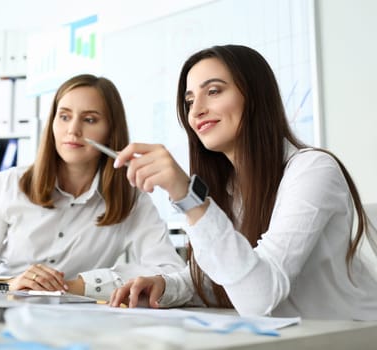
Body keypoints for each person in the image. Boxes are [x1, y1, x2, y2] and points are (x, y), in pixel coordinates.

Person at [109, 45, 377, 320]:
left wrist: (188, 197)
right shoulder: (228, 186)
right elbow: (223, 279)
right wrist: (165, 287)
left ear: (255, 97)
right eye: (190, 101)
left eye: (213, 91)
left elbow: (259, 297)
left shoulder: (313, 170)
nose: (196, 111)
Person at [0, 74, 185, 300]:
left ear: (111, 131)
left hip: (80, 323)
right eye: (64, 117)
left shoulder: (130, 198)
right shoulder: (6, 186)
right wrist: (11, 284)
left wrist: (80, 285)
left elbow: (171, 273)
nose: (73, 130)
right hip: (10, 315)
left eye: (89, 120)